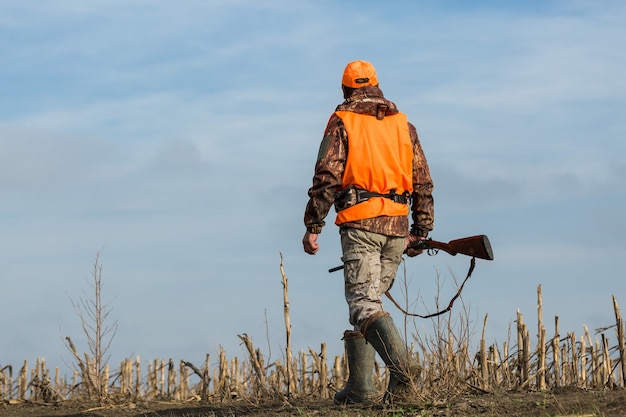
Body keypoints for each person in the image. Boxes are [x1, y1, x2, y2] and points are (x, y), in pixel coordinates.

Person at [302, 60, 435, 403]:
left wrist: (313, 225)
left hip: (361, 224)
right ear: (377, 86)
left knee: (363, 305)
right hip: (397, 225)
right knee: (371, 301)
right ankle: (361, 387)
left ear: (346, 90)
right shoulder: (404, 125)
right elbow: (422, 180)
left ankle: (405, 375)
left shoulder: (342, 121)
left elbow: (327, 176)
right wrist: (421, 228)